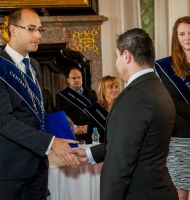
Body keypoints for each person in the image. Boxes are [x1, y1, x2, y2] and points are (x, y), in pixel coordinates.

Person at [71, 28, 179, 200]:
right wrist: (91, 154)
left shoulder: (135, 97)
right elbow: (134, 144)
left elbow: (120, 164)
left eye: (116, 56)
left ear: (126, 56)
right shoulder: (158, 88)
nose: (116, 63)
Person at [0, 8, 79, 200]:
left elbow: (35, 112)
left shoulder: (35, 66)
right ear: (13, 30)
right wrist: (51, 142)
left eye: (40, 29)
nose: (38, 35)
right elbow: (4, 122)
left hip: (38, 164)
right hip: (9, 168)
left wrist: (63, 133)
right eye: (31, 29)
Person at [155, 16, 190, 200]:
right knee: (181, 192)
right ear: (176, 38)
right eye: (182, 34)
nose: (187, 38)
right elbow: (174, 101)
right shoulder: (166, 66)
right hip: (181, 137)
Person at [55, 67, 98, 143]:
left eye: (79, 77)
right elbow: (60, 118)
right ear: (68, 80)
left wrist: (87, 127)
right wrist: (74, 128)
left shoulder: (91, 93)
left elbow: (96, 115)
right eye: (74, 78)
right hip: (71, 134)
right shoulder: (61, 96)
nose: (77, 80)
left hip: (90, 132)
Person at [87, 75, 119, 143]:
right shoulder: (95, 109)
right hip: (101, 146)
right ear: (103, 90)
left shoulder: (121, 106)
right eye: (111, 87)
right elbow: (91, 133)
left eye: (116, 87)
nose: (114, 90)